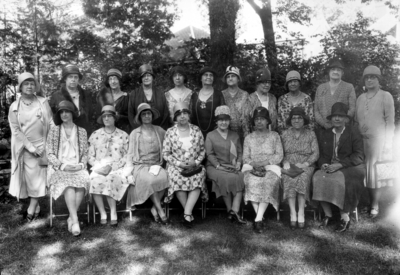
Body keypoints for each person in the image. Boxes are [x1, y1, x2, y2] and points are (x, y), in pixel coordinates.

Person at [312, 102, 365, 233]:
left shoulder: (353, 132)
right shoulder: (326, 133)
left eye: (340, 116)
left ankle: (344, 217)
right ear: (331, 119)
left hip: (350, 167)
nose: (336, 119)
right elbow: (322, 155)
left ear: (346, 119)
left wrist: (340, 165)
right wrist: (324, 164)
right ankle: (328, 215)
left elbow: (359, 155)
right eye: (334, 116)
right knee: (318, 177)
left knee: (340, 181)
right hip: (331, 166)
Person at [8, 72, 54, 221]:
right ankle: (37, 206)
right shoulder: (14, 106)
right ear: (20, 86)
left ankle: (31, 208)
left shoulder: (42, 101)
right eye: (26, 83)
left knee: (39, 178)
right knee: (28, 179)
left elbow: (51, 122)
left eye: (32, 83)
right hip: (24, 148)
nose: (29, 86)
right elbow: (15, 130)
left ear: (35, 86)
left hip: (42, 146)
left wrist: (48, 145)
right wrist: (31, 148)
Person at [355, 65, 395, 218]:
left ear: (379, 80)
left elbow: (389, 122)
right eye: (367, 77)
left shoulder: (386, 96)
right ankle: (366, 201)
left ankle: (374, 205)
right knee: (364, 173)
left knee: (376, 174)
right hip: (361, 142)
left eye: (373, 77)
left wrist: (388, 144)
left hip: (378, 142)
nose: (370, 80)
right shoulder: (360, 98)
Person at [47, 101, 90, 236]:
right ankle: (75, 220)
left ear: (72, 113)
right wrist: (63, 165)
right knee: (69, 185)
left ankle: (71, 217)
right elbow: (49, 153)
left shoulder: (81, 131)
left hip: (77, 167)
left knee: (83, 181)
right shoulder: (54, 131)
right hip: (59, 168)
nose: (64, 114)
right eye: (61, 112)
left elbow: (85, 153)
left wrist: (80, 165)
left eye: (67, 111)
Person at [163, 102, 208, 228]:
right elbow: (166, 153)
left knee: (198, 177)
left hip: (195, 164)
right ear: (175, 117)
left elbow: (202, 151)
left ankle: (187, 213)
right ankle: (188, 214)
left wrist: (196, 162)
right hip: (176, 165)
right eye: (179, 114)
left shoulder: (196, 130)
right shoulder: (170, 132)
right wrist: (179, 163)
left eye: (185, 113)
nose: (182, 116)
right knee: (177, 177)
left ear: (188, 115)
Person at [124, 103, 170, 225]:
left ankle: (154, 208)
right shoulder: (135, 133)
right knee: (150, 181)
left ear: (152, 115)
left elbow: (171, 141)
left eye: (148, 113)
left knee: (166, 177)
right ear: (140, 117)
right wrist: (128, 173)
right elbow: (130, 153)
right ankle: (160, 210)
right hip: (141, 166)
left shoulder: (159, 130)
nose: (146, 116)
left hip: (156, 164)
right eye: (143, 114)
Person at [243, 107, 283, 233]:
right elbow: (245, 157)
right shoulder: (249, 137)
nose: (259, 122)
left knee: (268, 181)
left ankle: (258, 218)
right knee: (251, 181)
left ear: (267, 121)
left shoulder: (274, 135)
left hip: (270, 166)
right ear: (254, 122)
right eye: (257, 119)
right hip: (252, 166)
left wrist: (266, 163)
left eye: (262, 119)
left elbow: (279, 155)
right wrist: (254, 163)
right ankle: (259, 218)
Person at [88, 105, 129, 227]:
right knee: (95, 180)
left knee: (111, 179)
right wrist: (98, 167)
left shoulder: (123, 135)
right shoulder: (95, 134)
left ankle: (113, 212)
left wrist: (114, 166)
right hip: (99, 167)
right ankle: (102, 213)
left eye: (109, 116)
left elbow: (127, 155)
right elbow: (89, 156)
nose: (106, 118)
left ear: (114, 118)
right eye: (104, 116)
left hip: (117, 167)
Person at [205, 105, 246, 224]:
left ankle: (234, 210)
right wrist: (218, 166)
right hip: (214, 167)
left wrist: (238, 162)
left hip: (231, 165)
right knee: (225, 177)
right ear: (216, 121)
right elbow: (210, 154)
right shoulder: (210, 135)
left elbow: (239, 152)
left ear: (229, 121)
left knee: (241, 176)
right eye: (220, 120)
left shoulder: (234, 135)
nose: (223, 122)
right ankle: (231, 210)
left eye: (226, 120)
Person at [281, 107, 319, 229]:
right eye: (294, 118)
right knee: (289, 178)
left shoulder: (311, 134)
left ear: (304, 120)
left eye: (299, 118)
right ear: (290, 120)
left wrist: (306, 164)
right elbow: (279, 152)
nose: (296, 120)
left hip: (305, 164)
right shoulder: (285, 134)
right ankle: (293, 213)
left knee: (303, 177)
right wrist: (285, 162)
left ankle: (301, 212)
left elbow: (316, 153)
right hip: (289, 164)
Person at [49, 64, 93, 135]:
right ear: (65, 79)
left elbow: (90, 114)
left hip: (84, 133)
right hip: (64, 134)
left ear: (78, 79)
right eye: (70, 77)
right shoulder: (56, 96)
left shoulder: (86, 95)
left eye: (76, 77)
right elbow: (52, 118)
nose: (73, 79)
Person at [314, 59, 356, 131]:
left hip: (343, 129)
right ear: (329, 72)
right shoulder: (320, 88)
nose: (335, 72)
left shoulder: (349, 87)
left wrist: (341, 123)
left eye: (338, 70)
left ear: (342, 73)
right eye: (333, 69)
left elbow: (352, 109)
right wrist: (324, 124)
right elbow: (316, 111)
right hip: (323, 129)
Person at [128, 64, 170, 130]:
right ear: (141, 79)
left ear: (152, 77)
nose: (146, 78)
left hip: (159, 132)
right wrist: (138, 131)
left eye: (149, 75)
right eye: (144, 76)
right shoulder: (134, 94)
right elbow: (131, 115)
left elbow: (165, 114)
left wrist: (160, 130)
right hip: (140, 132)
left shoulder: (160, 93)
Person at [190, 67, 225, 138]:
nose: (209, 77)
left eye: (211, 75)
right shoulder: (194, 95)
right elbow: (191, 116)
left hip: (216, 134)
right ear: (201, 78)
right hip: (196, 134)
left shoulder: (218, 94)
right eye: (206, 75)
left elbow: (223, 115)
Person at [221, 66, 250, 143]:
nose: (230, 78)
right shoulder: (222, 94)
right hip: (226, 132)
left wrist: (246, 135)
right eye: (228, 77)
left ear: (238, 79)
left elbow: (246, 117)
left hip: (242, 133)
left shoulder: (245, 94)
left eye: (233, 76)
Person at [96, 69, 130, 133]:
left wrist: (119, 116)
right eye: (110, 79)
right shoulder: (103, 97)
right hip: (105, 131)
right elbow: (98, 115)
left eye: (115, 79)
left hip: (122, 131)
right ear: (108, 82)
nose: (113, 81)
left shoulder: (127, 97)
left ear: (119, 81)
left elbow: (131, 117)